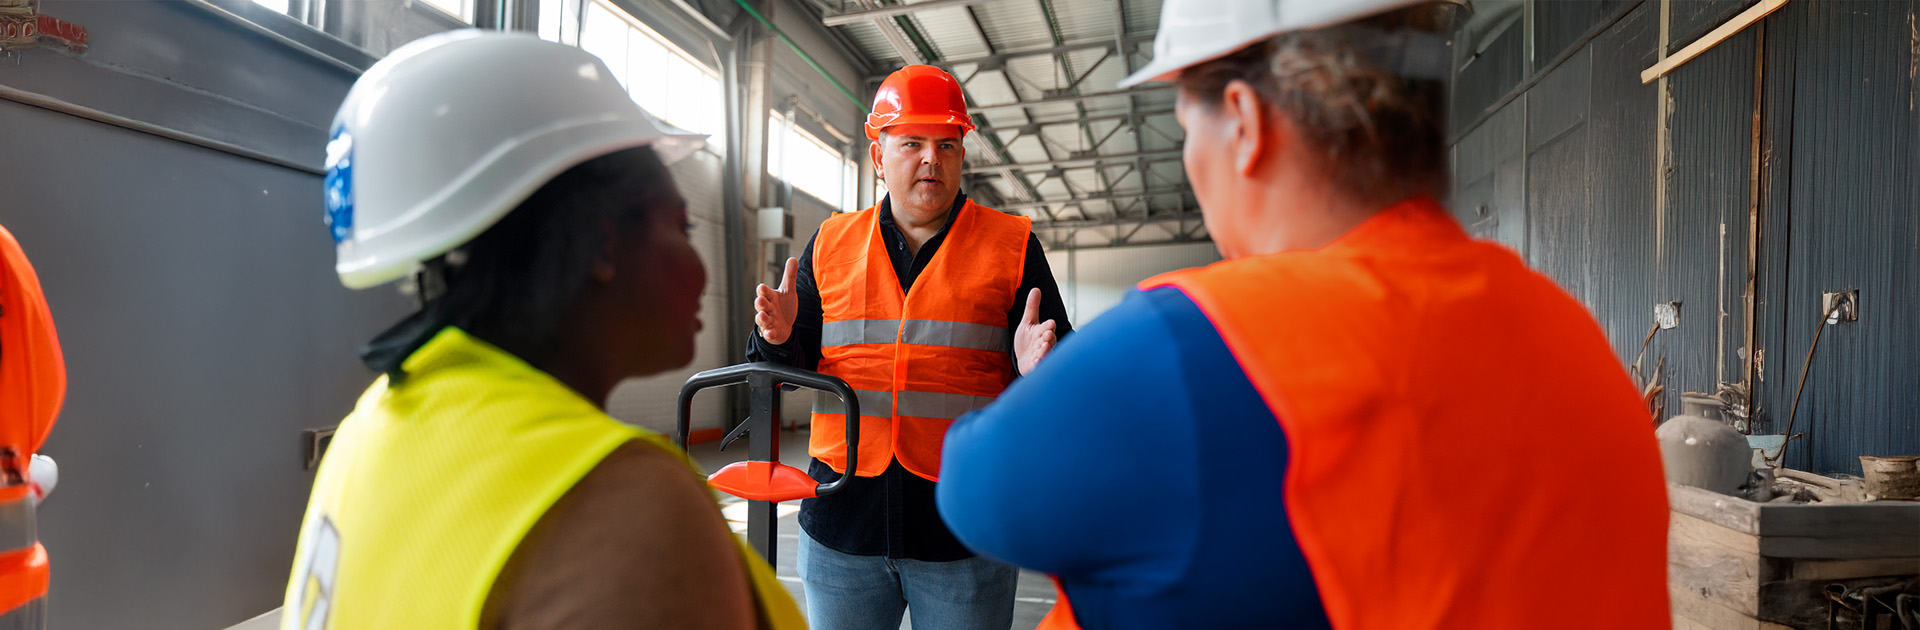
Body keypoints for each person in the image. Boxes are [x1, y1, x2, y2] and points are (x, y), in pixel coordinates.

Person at [936, 1, 1672, 629]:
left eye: (1187, 129)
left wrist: (1036, 380)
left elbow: (975, 487)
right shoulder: (1575, 342)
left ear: (1244, 121)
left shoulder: (1194, 347)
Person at [282, 31, 803, 630]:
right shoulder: (625, 508)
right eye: (680, 227)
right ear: (604, 242)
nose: (700, 268)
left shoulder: (368, 430)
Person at [747, 64, 1072, 630]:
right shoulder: (831, 243)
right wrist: (775, 338)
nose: (931, 158)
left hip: (964, 532)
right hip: (842, 525)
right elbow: (787, 360)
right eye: (912, 143)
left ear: (962, 155)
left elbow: (1060, 374)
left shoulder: (1011, 244)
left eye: (947, 144)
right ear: (878, 156)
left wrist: (1034, 372)